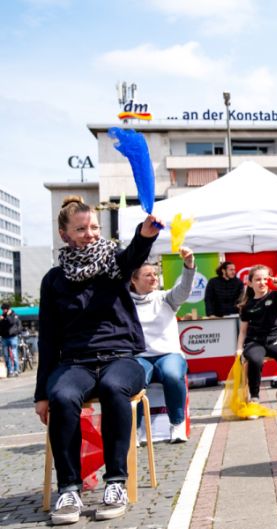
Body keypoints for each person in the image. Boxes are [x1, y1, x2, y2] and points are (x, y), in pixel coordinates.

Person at [35, 196, 160, 524]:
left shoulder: (113, 263)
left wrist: (145, 235)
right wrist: (41, 394)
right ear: (64, 234)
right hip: (75, 362)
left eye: (93, 227)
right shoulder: (53, 280)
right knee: (62, 396)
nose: (90, 233)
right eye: (80, 228)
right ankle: (69, 489)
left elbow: (134, 255)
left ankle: (115, 482)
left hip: (120, 357)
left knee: (112, 386)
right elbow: (47, 339)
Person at [130, 248, 195, 443]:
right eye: (147, 275)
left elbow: (184, 289)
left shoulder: (166, 298)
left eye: (155, 274)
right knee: (134, 380)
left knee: (173, 375)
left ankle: (177, 424)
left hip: (169, 354)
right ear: (134, 280)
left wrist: (189, 264)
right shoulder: (124, 304)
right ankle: (137, 428)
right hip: (140, 356)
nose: (154, 278)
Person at [235, 265, 277, 417]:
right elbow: (243, 331)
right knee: (255, 360)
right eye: (257, 279)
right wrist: (239, 349)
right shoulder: (246, 306)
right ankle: (254, 399)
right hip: (254, 342)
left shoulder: (275, 296)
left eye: (264, 279)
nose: (261, 282)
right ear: (249, 283)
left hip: (274, 340)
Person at [0, 303, 22, 377]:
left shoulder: (14, 315)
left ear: (8, 309)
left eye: (4, 309)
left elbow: (11, 322)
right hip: (4, 337)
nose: (3, 311)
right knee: (6, 356)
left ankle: (16, 370)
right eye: (2, 309)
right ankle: (10, 371)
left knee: (14, 354)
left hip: (13, 337)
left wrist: (8, 316)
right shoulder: (2, 316)